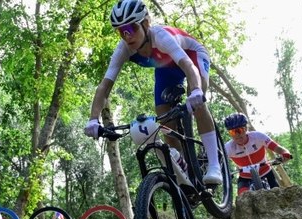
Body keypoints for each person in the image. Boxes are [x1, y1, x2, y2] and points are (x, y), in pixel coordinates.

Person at [84, 0, 222, 185]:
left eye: (131, 29)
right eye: (121, 31)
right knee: (164, 119)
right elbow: (104, 87)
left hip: (191, 56)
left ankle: (214, 164)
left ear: (146, 23)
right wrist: (94, 118)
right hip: (165, 67)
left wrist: (196, 90)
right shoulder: (123, 49)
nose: (127, 36)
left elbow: (188, 66)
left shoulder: (161, 37)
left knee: (198, 104)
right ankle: (184, 171)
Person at [223, 112, 292, 196]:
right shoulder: (228, 147)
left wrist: (285, 153)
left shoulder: (258, 136)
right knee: (242, 197)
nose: (237, 135)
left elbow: (277, 148)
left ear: (245, 129)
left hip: (266, 172)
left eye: (239, 130)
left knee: (277, 195)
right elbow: (219, 162)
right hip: (245, 177)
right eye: (233, 132)